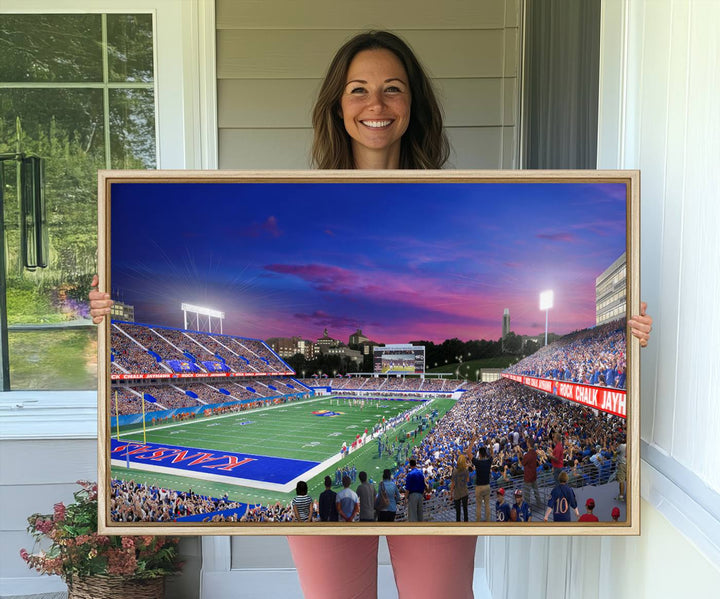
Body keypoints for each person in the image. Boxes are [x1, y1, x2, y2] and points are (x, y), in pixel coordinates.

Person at [89, 29, 654, 599]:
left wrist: (620, 335)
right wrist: (108, 312)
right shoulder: (300, 197)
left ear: (413, 105)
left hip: (420, 490)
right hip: (335, 502)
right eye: (358, 89)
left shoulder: (452, 201)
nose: (375, 105)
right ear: (338, 104)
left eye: (392, 89)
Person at [469, 444, 492, 522]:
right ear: (485, 453)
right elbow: (492, 454)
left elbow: (468, 453)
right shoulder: (488, 462)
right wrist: (490, 444)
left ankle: (478, 522)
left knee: (478, 506)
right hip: (487, 486)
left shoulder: (477, 462)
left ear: (480, 454)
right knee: (487, 505)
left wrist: (472, 441)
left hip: (479, 487)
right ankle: (488, 521)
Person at [521, 438, 542, 507]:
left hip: (528, 476)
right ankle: (539, 504)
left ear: (529, 444)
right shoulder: (534, 453)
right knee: (536, 492)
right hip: (534, 475)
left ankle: (527, 508)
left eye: (527, 442)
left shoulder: (527, 455)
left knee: (527, 494)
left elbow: (523, 463)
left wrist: (520, 455)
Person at [450, 454, 470, 522]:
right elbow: (467, 480)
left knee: (458, 512)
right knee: (465, 510)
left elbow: (452, 484)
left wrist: (451, 494)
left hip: (457, 493)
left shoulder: (455, 471)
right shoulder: (466, 470)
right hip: (464, 492)